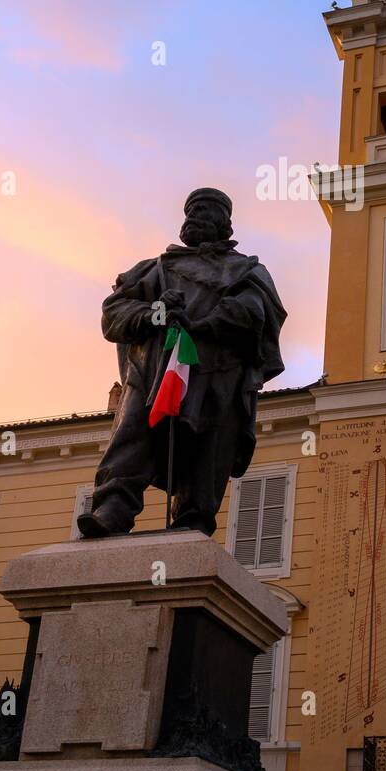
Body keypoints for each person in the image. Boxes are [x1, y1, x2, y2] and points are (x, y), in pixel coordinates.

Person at [78, 187, 286, 538]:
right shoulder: (154, 270)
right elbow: (113, 313)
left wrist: (203, 324)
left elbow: (255, 312)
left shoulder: (247, 270)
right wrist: (156, 312)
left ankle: (194, 520)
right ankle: (113, 509)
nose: (193, 218)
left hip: (218, 375)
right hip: (156, 372)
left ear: (225, 225)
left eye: (204, 212)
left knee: (208, 451)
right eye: (190, 212)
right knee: (133, 437)